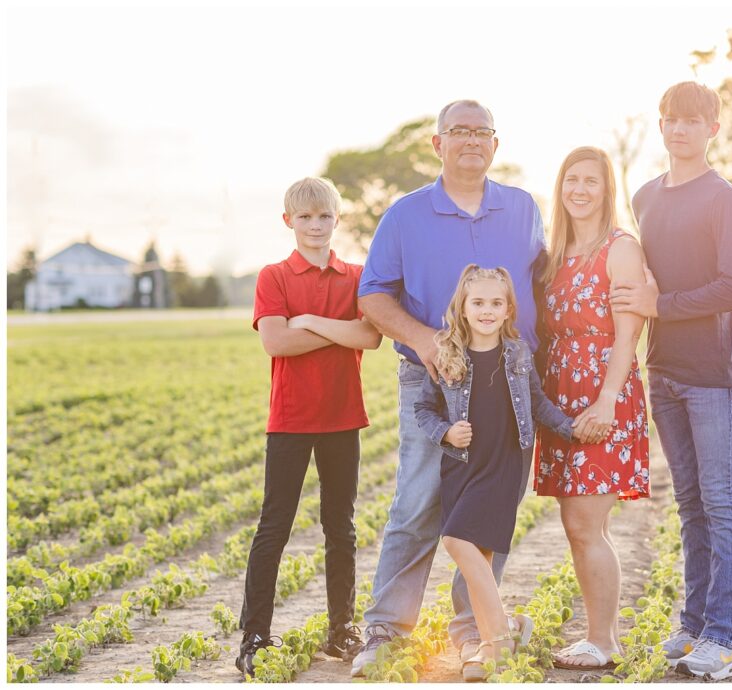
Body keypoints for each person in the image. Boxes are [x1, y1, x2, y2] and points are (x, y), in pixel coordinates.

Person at [354, 100, 548, 678]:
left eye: (481, 132)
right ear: (437, 144)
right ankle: (387, 632)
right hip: (433, 380)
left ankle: (474, 634)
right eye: (458, 131)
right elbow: (373, 296)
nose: (470, 141)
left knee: (489, 511)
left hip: (509, 383)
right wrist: (426, 341)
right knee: (416, 505)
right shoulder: (406, 215)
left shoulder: (522, 208)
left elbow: (544, 283)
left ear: (496, 144)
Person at [610, 81, 732, 681]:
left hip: (713, 376)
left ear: (712, 129)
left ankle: (722, 636)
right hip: (662, 371)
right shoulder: (644, 197)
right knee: (690, 504)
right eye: (669, 120)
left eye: (691, 121)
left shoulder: (723, 199)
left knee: (722, 502)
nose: (678, 130)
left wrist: (662, 304)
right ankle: (693, 624)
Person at [413, 265, 598, 681]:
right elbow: (423, 408)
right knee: (476, 554)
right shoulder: (446, 352)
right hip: (461, 464)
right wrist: (445, 432)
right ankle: (500, 634)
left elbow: (538, 404)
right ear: (462, 306)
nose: (487, 310)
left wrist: (571, 427)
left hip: (504, 463)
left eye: (496, 303)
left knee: (456, 541)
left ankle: (496, 640)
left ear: (509, 308)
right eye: (478, 302)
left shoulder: (516, 353)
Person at [236, 176, 383, 677]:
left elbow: (371, 335)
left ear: (337, 219)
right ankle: (254, 635)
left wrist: (311, 322)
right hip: (292, 420)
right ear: (288, 222)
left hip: (344, 418)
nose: (315, 226)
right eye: (305, 217)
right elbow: (276, 342)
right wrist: (337, 332)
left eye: (324, 217)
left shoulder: (357, 275)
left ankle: (341, 628)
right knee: (273, 526)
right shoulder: (273, 276)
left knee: (340, 527)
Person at [534, 146, 650, 671]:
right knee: (574, 522)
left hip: (604, 396)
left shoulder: (620, 249)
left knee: (587, 523)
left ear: (607, 191)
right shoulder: (554, 255)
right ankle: (596, 637)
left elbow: (629, 337)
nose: (579, 190)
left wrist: (605, 400)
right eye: (571, 180)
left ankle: (603, 641)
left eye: (591, 182)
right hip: (560, 399)